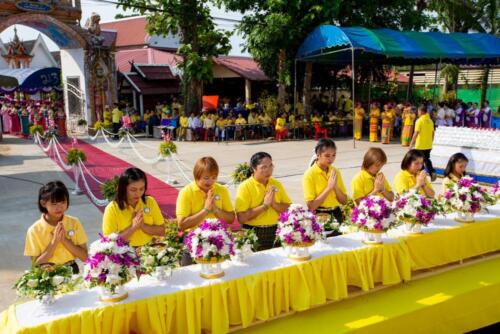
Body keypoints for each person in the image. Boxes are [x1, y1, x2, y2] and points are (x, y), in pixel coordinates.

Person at [176, 157, 235, 265]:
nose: (210, 181)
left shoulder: (221, 190)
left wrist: (216, 210)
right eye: (206, 178)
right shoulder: (186, 192)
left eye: (214, 177)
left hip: (218, 241)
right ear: (196, 176)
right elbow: (182, 224)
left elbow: (231, 218)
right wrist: (206, 210)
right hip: (193, 240)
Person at [24, 181, 88, 273]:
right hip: (48, 274)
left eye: (63, 202)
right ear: (43, 203)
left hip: (71, 270)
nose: (59, 207)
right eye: (54, 204)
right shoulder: (34, 230)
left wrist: (64, 240)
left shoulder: (74, 223)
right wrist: (54, 242)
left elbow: (85, 257)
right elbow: (36, 265)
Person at [235, 152, 291, 250]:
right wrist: (264, 206)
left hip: (276, 230)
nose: (268, 171)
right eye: (264, 167)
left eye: (270, 166)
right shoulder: (245, 187)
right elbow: (241, 218)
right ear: (253, 168)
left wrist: (274, 204)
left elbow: (289, 208)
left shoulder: (276, 183)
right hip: (254, 232)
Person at [102, 168, 165, 247]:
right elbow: (109, 242)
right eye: (133, 190)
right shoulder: (112, 208)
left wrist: (143, 226)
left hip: (150, 250)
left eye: (141, 189)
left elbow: (162, 230)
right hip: (125, 254)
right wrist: (133, 227)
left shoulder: (150, 202)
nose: (138, 193)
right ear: (124, 189)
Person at [303, 139, 347, 231]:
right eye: (327, 155)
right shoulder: (310, 174)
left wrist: (335, 188)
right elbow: (311, 206)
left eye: (334, 155)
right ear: (318, 155)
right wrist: (329, 188)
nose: (331, 159)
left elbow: (344, 201)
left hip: (336, 213)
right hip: (319, 215)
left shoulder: (335, 172)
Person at [410, 105, 436, 181]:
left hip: (420, 145)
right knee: (427, 159)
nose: (417, 113)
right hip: (428, 145)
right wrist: (431, 142)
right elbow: (433, 133)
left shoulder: (419, 121)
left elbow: (416, 133)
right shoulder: (430, 121)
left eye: (418, 111)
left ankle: (422, 174)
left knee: (419, 161)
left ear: (421, 111)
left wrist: (411, 144)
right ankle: (432, 172)